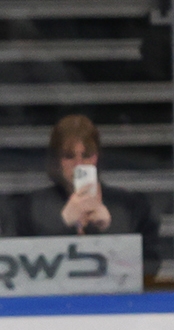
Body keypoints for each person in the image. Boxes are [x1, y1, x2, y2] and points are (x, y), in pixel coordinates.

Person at [18, 115, 162, 277]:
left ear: (97, 157)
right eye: (69, 156)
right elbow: (19, 267)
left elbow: (150, 267)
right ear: (57, 160)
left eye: (86, 155)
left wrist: (110, 229)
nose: (78, 164)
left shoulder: (131, 206)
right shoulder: (29, 208)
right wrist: (62, 223)